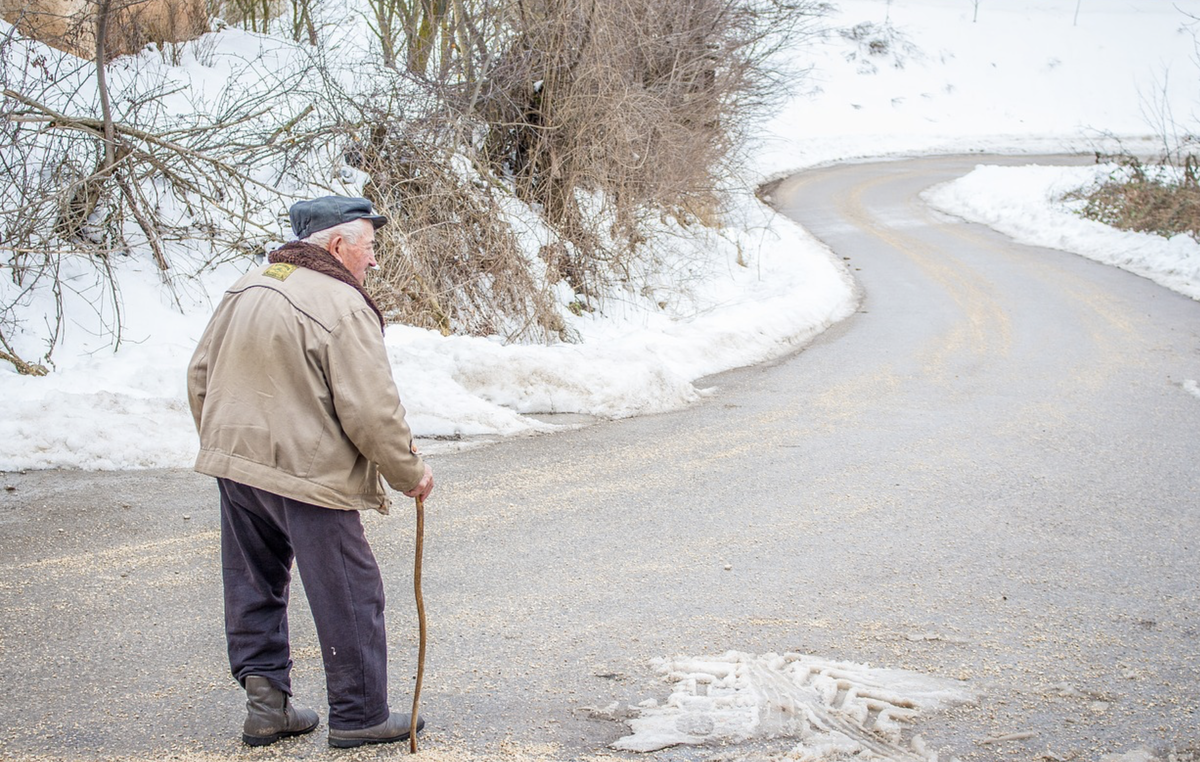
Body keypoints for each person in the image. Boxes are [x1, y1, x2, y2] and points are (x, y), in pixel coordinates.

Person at [187, 195, 434, 748]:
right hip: (306, 471)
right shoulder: (342, 304)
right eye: (369, 247)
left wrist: (224, 442)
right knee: (350, 590)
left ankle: (266, 706)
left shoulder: (246, 286)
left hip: (237, 462)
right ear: (339, 244)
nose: (373, 262)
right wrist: (408, 472)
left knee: (254, 583)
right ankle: (361, 714)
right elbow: (372, 409)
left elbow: (199, 374)